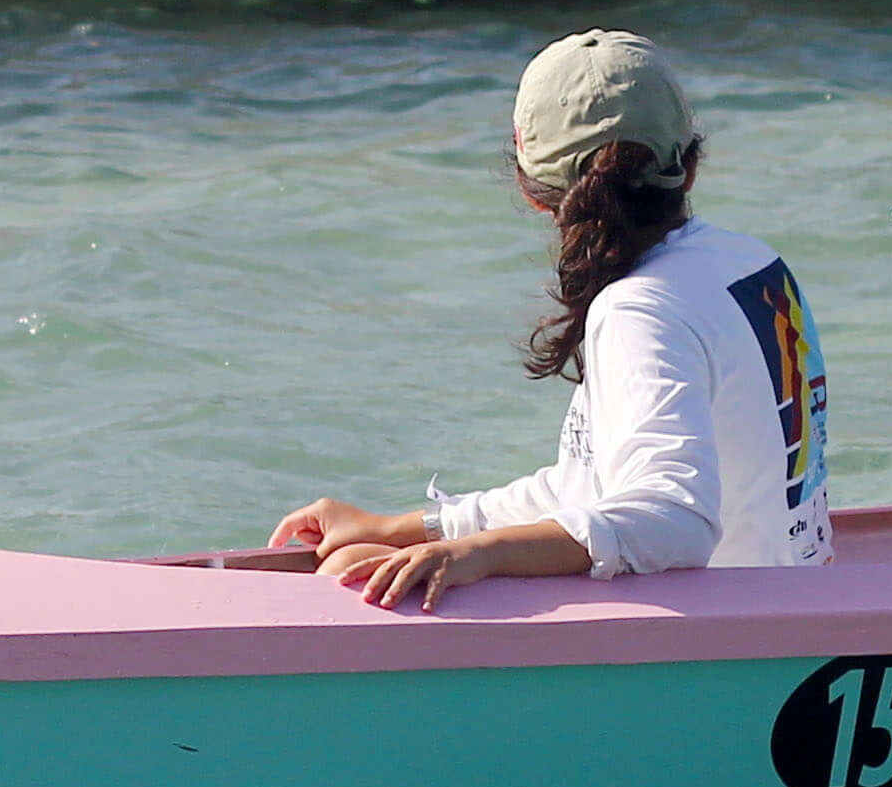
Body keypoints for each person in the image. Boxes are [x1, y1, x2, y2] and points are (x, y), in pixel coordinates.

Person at [270, 30, 833, 607]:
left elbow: (673, 520)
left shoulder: (637, 308)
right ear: (689, 167)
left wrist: (480, 556)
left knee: (343, 581)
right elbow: (592, 488)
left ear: (534, 192)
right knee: (352, 558)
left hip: (723, 635)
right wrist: (409, 528)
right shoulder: (752, 262)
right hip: (790, 597)